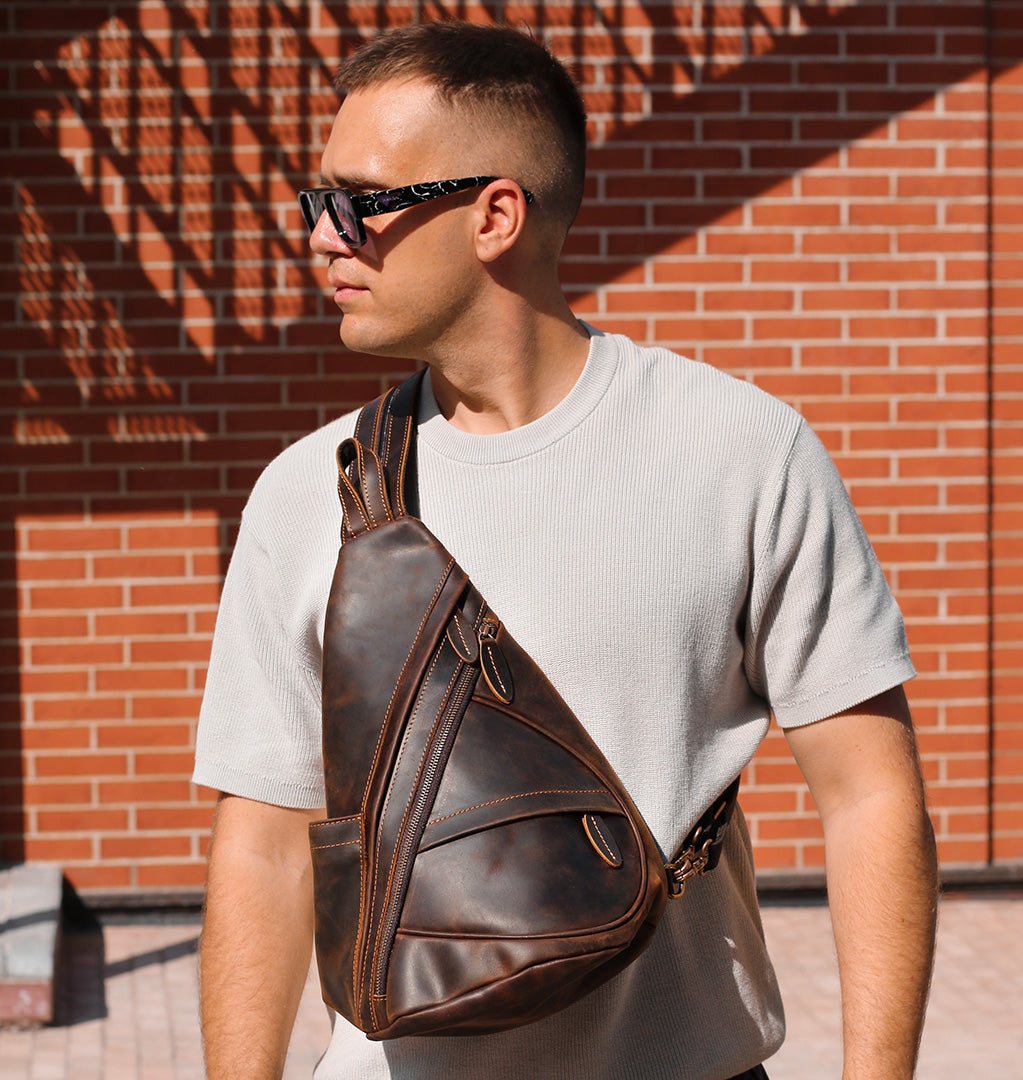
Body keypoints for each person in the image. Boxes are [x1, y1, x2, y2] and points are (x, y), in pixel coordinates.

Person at [194, 19, 938, 1080]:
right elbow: (264, 845)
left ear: (496, 214)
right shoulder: (306, 495)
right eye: (319, 203)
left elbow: (870, 792)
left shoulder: (736, 451)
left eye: (358, 202)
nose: (323, 235)